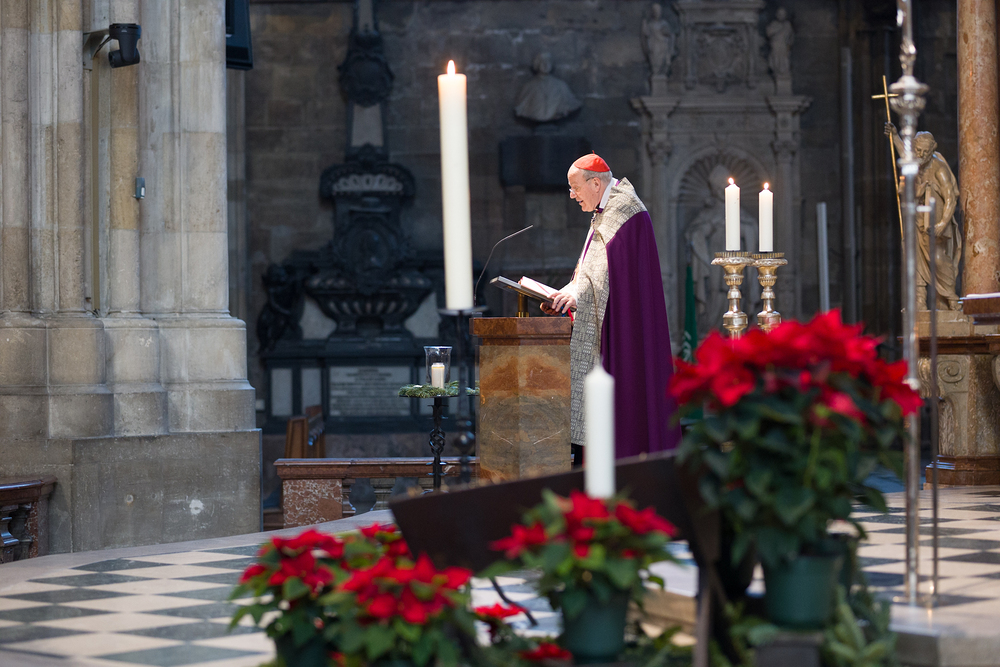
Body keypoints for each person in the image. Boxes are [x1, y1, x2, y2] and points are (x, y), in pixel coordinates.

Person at [542, 154, 681, 463]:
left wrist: (577, 298)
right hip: (605, 323)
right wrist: (566, 293)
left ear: (595, 183)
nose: (572, 195)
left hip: (624, 330)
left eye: (575, 187)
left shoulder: (625, 212)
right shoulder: (604, 212)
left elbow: (609, 277)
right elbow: (588, 271)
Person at [885, 123, 962, 310]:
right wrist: (894, 135)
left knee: (937, 258)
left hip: (935, 220)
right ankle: (919, 301)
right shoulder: (916, 159)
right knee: (913, 257)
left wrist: (943, 223)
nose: (920, 155)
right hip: (917, 218)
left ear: (932, 150)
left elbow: (951, 198)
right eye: (918, 150)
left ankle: (950, 297)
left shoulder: (939, 169)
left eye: (925, 152)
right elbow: (904, 153)